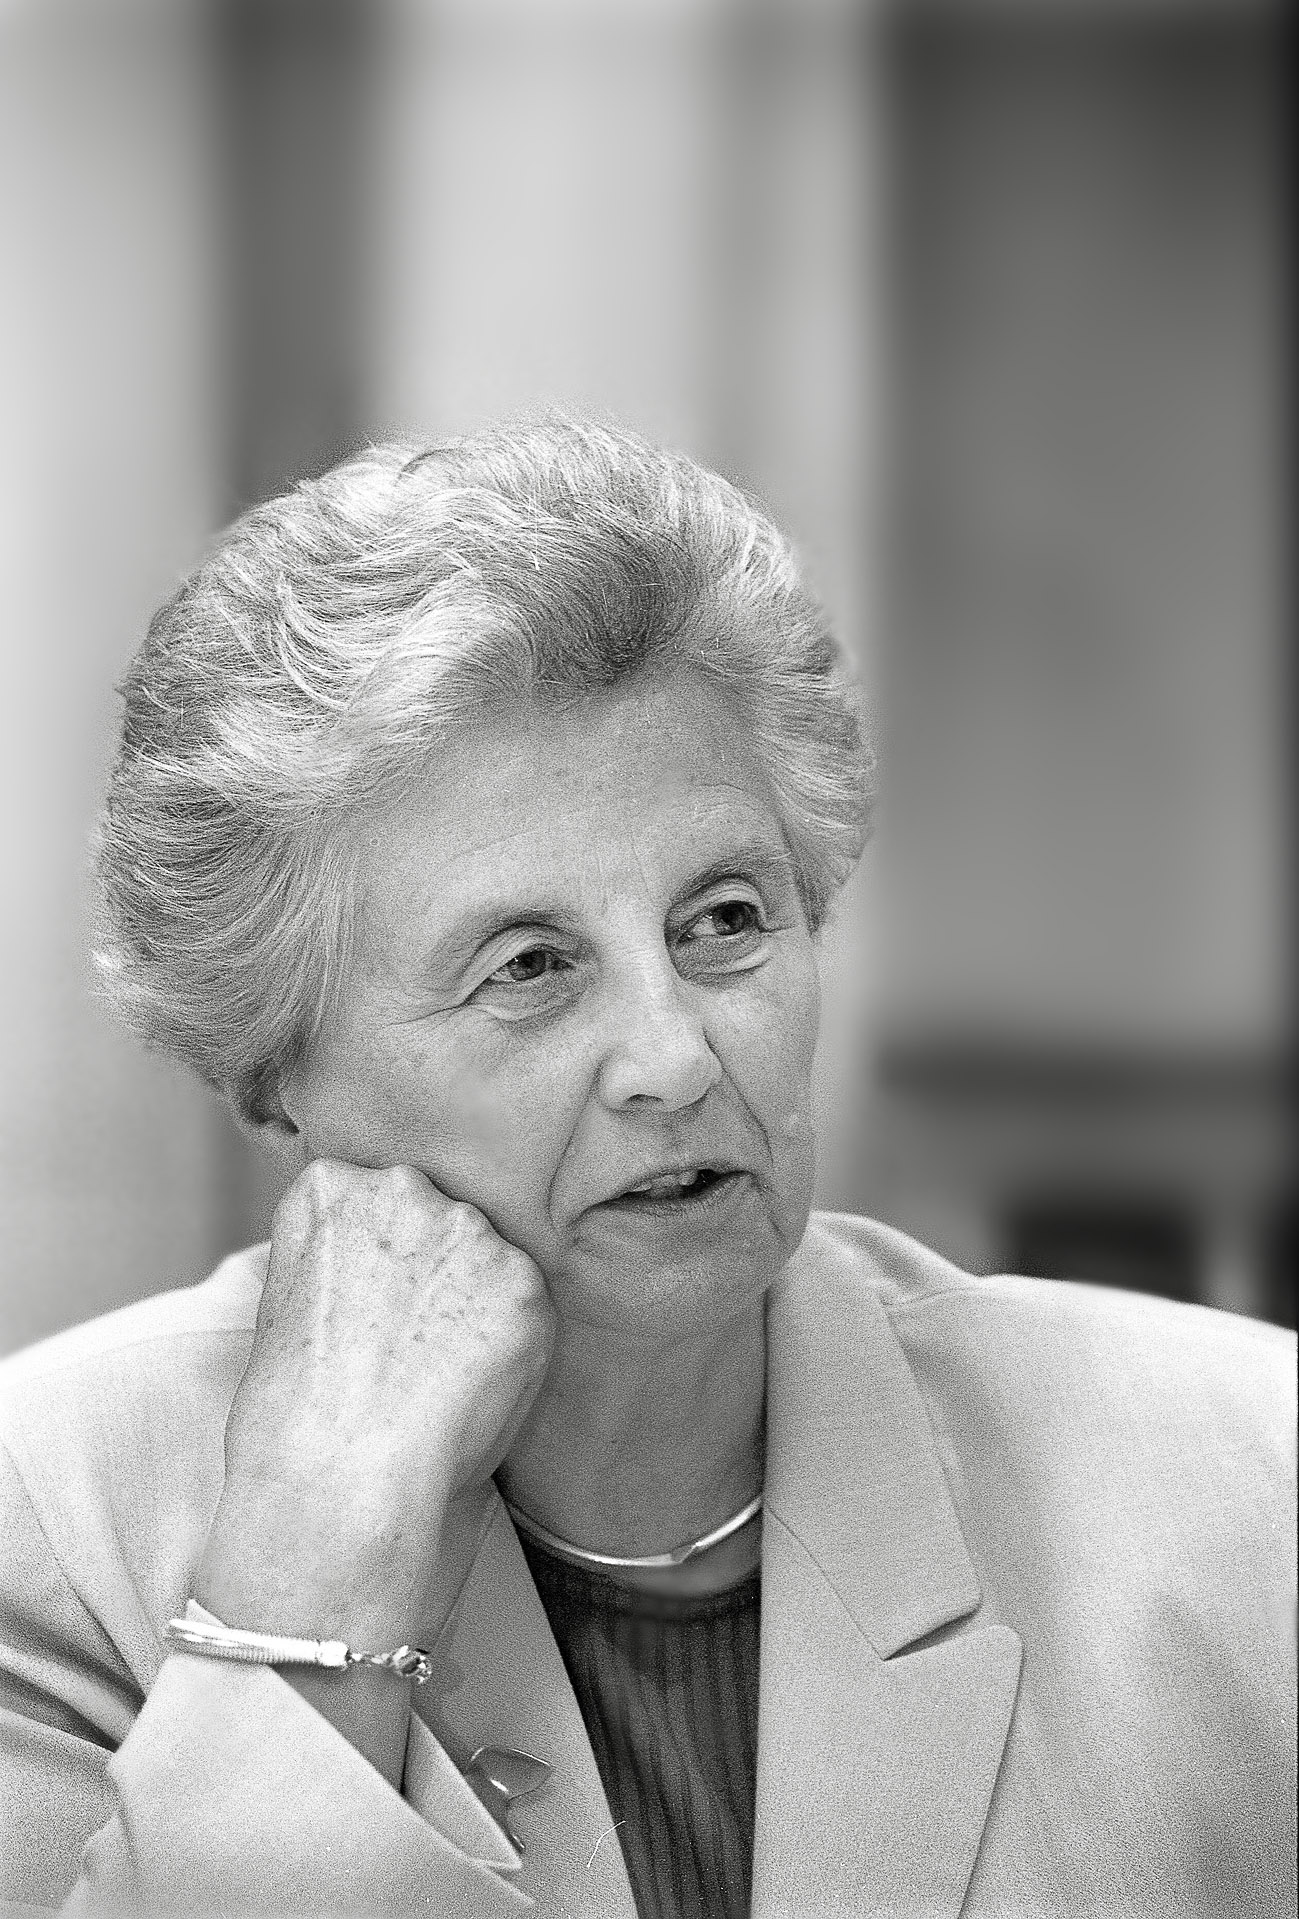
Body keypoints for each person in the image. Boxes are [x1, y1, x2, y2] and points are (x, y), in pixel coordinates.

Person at [0, 417, 1292, 1919]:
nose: (674, 1060)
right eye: (530, 965)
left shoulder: (1250, 1479)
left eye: (725, 922)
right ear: (275, 1075)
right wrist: (312, 1574)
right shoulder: (51, 1536)